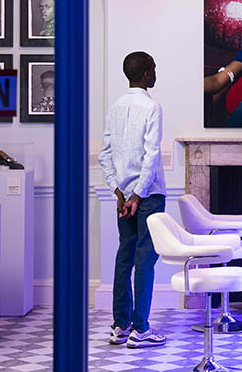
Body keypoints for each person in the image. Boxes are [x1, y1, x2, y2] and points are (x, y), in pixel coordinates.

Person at [99, 51, 167, 348]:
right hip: (147, 196)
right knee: (145, 261)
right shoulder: (151, 107)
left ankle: (119, 326)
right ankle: (140, 330)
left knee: (124, 258)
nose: (155, 72)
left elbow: (104, 154)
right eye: (153, 68)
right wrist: (138, 195)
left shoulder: (115, 107)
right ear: (146, 75)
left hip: (124, 197)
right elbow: (151, 155)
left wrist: (119, 192)